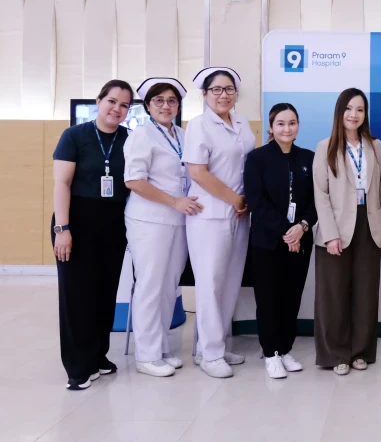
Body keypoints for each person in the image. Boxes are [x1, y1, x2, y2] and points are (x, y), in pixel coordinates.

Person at [51, 79, 134, 390]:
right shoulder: (75, 136)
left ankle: (98, 355)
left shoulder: (130, 139)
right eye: (112, 101)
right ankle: (77, 366)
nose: (117, 108)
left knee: (104, 293)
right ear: (99, 101)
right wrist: (63, 229)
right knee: (77, 296)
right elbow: (62, 184)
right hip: (76, 221)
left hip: (113, 223)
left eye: (124, 105)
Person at [123, 77, 202, 378]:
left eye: (171, 100)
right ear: (147, 105)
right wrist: (173, 202)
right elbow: (134, 181)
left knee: (170, 286)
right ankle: (146, 355)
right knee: (150, 285)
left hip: (179, 219)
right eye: (159, 101)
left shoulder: (183, 134)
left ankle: (160, 349)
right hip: (150, 219)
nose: (166, 106)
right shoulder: (141, 135)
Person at [313, 89, 381, 375]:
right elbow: (320, 195)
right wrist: (331, 234)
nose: (354, 115)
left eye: (360, 109)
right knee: (333, 294)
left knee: (366, 292)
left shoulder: (374, 145)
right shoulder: (326, 147)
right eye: (348, 108)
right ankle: (337, 354)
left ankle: (361, 351)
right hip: (336, 227)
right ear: (339, 111)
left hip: (369, 224)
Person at [182, 67, 255, 379]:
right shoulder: (199, 126)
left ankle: (215, 345)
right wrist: (234, 199)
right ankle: (209, 353)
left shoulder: (242, 124)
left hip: (240, 212)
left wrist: (246, 200)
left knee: (230, 282)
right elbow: (197, 172)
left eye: (229, 89)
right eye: (216, 90)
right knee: (210, 283)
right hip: (209, 214)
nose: (223, 95)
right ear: (205, 94)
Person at [244, 103, 317, 379]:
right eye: (281, 123)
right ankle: (271, 353)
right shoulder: (257, 159)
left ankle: (285, 350)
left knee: (291, 297)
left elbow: (316, 201)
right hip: (268, 242)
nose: (287, 128)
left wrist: (301, 227)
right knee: (268, 299)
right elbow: (256, 202)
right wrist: (287, 232)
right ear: (271, 128)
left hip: (301, 240)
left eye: (292, 123)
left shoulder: (308, 158)